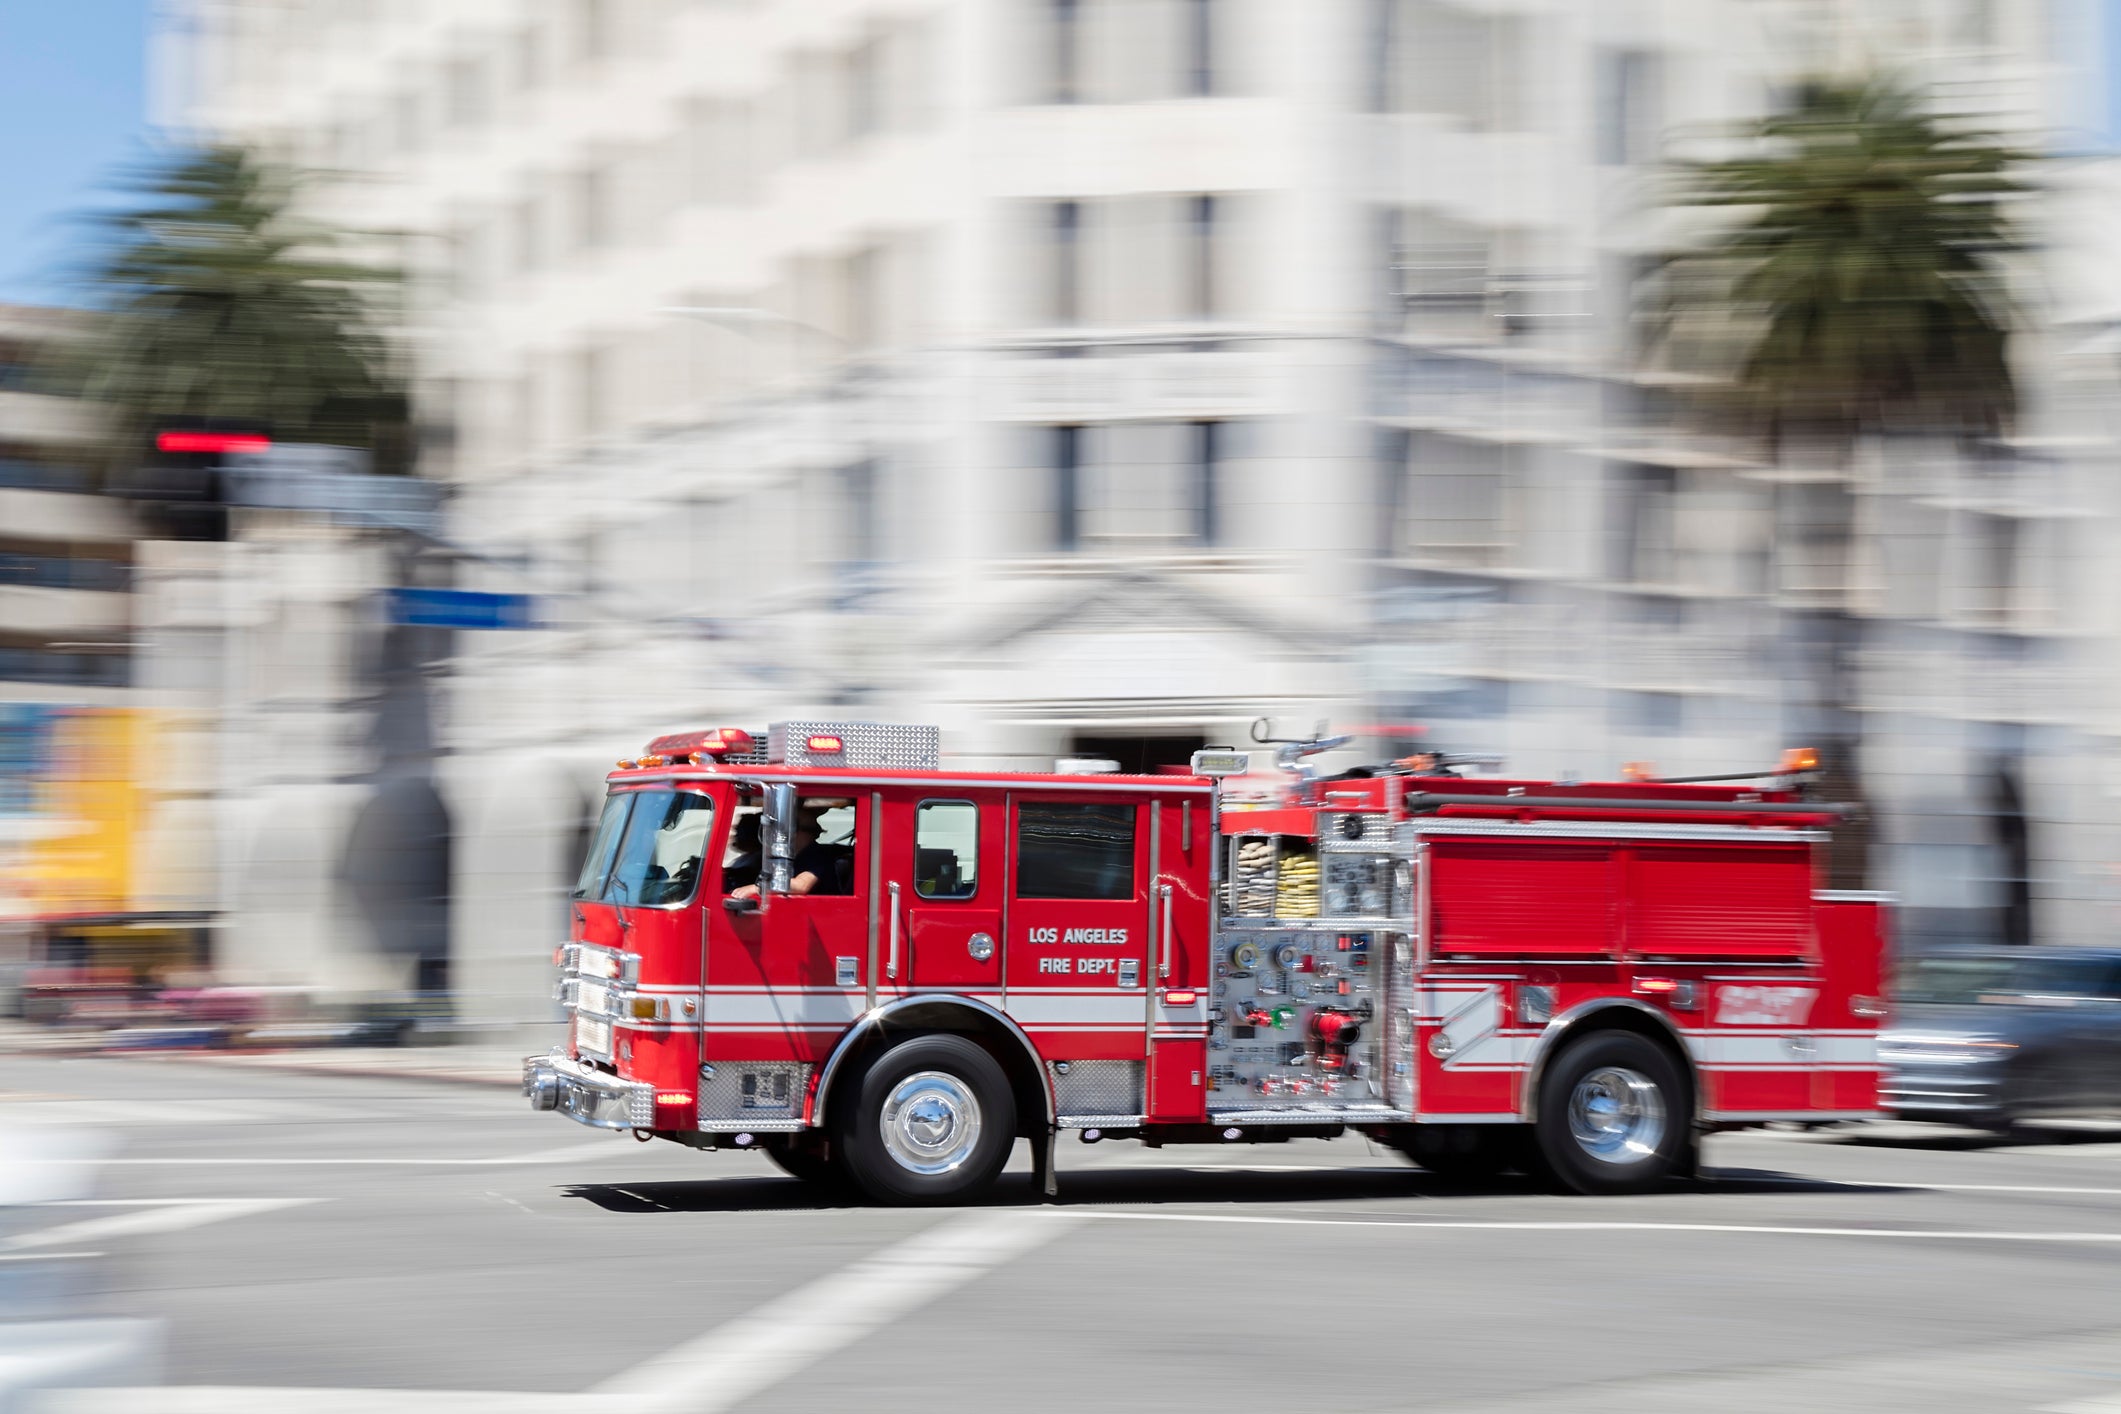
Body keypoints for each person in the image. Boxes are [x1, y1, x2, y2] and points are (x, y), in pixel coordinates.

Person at [729, 803, 852, 898]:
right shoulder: (790, 856)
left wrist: (757, 889)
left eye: (785, 827)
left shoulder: (817, 855)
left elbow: (801, 885)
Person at [721, 813, 762, 893]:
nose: (736, 836)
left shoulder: (759, 861)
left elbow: (743, 876)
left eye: (740, 832)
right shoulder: (748, 857)